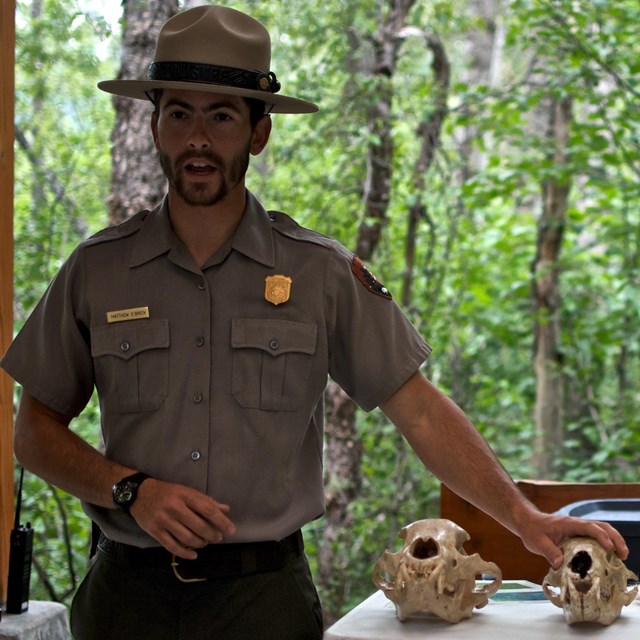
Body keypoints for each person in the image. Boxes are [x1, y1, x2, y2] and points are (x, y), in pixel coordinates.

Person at [1, 5, 629, 640]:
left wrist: (525, 517)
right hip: (123, 603)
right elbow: (34, 430)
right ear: (154, 125)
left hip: (262, 604)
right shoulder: (97, 270)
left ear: (258, 133)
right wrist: (130, 491)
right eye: (179, 113)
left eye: (220, 115)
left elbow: (418, 410)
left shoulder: (319, 273)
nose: (197, 138)